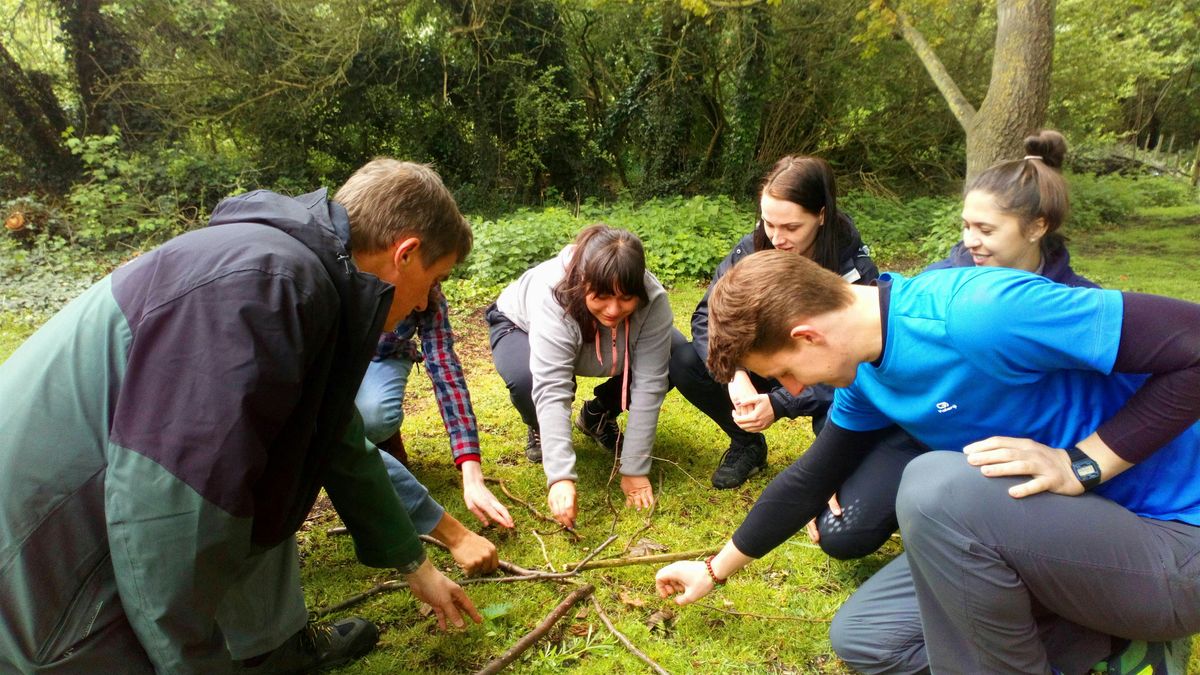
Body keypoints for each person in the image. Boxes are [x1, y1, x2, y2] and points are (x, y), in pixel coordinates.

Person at [0, 159, 485, 674]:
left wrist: (413, 561)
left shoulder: (303, 273)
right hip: (45, 571)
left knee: (279, 463)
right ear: (405, 254)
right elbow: (172, 505)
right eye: (436, 280)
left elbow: (335, 440)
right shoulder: (264, 287)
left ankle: (268, 648)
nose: (425, 302)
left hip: (89, 515)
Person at [655, 250, 1200, 674]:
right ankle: (1113, 647)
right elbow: (811, 477)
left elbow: (1193, 343)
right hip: (1070, 547)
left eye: (786, 372)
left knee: (934, 487)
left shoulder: (980, 314)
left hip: (1173, 543)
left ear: (807, 334)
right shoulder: (869, 373)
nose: (794, 390)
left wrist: (1084, 462)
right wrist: (712, 570)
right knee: (867, 637)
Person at [803, 130, 1095, 560]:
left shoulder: (1074, 304)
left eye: (985, 229)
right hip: (926, 431)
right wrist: (829, 467)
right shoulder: (935, 284)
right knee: (839, 533)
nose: (970, 240)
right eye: (966, 226)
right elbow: (879, 378)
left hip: (1008, 446)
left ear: (1037, 227)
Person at [668, 155, 887, 491]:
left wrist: (782, 402)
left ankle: (834, 462)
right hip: (763, 363)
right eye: (768, 223)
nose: (776, 238)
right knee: (684, 360)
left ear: (821, 216)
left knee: (844, 423)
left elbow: (860, 363)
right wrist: (735, 374)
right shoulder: (753, 248)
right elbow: (705, 317)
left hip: (824, 376)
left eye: (791, 228)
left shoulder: (853, 268)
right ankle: (747, 444)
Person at [486, 224, 672, 529]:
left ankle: (597, 416)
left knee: (674, 353)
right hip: (521, 326)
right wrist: (560, 477)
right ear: (583, 282)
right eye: (602, 296)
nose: (613, 309)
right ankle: (539, 428)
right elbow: (551, 385)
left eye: (626, 298)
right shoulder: (552, 293)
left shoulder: (654, 300)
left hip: (606, 343)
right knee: (527, 378)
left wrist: (635, 468)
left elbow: (650, 383)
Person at [355, 281, 515, 575]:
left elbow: (446, 372)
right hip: (337, 360)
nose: (421, 306)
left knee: (374, 418)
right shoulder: (334, 283)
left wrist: (471, 472)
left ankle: (382, 438)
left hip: (381, 358)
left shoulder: (426, 290)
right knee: (348, 428)